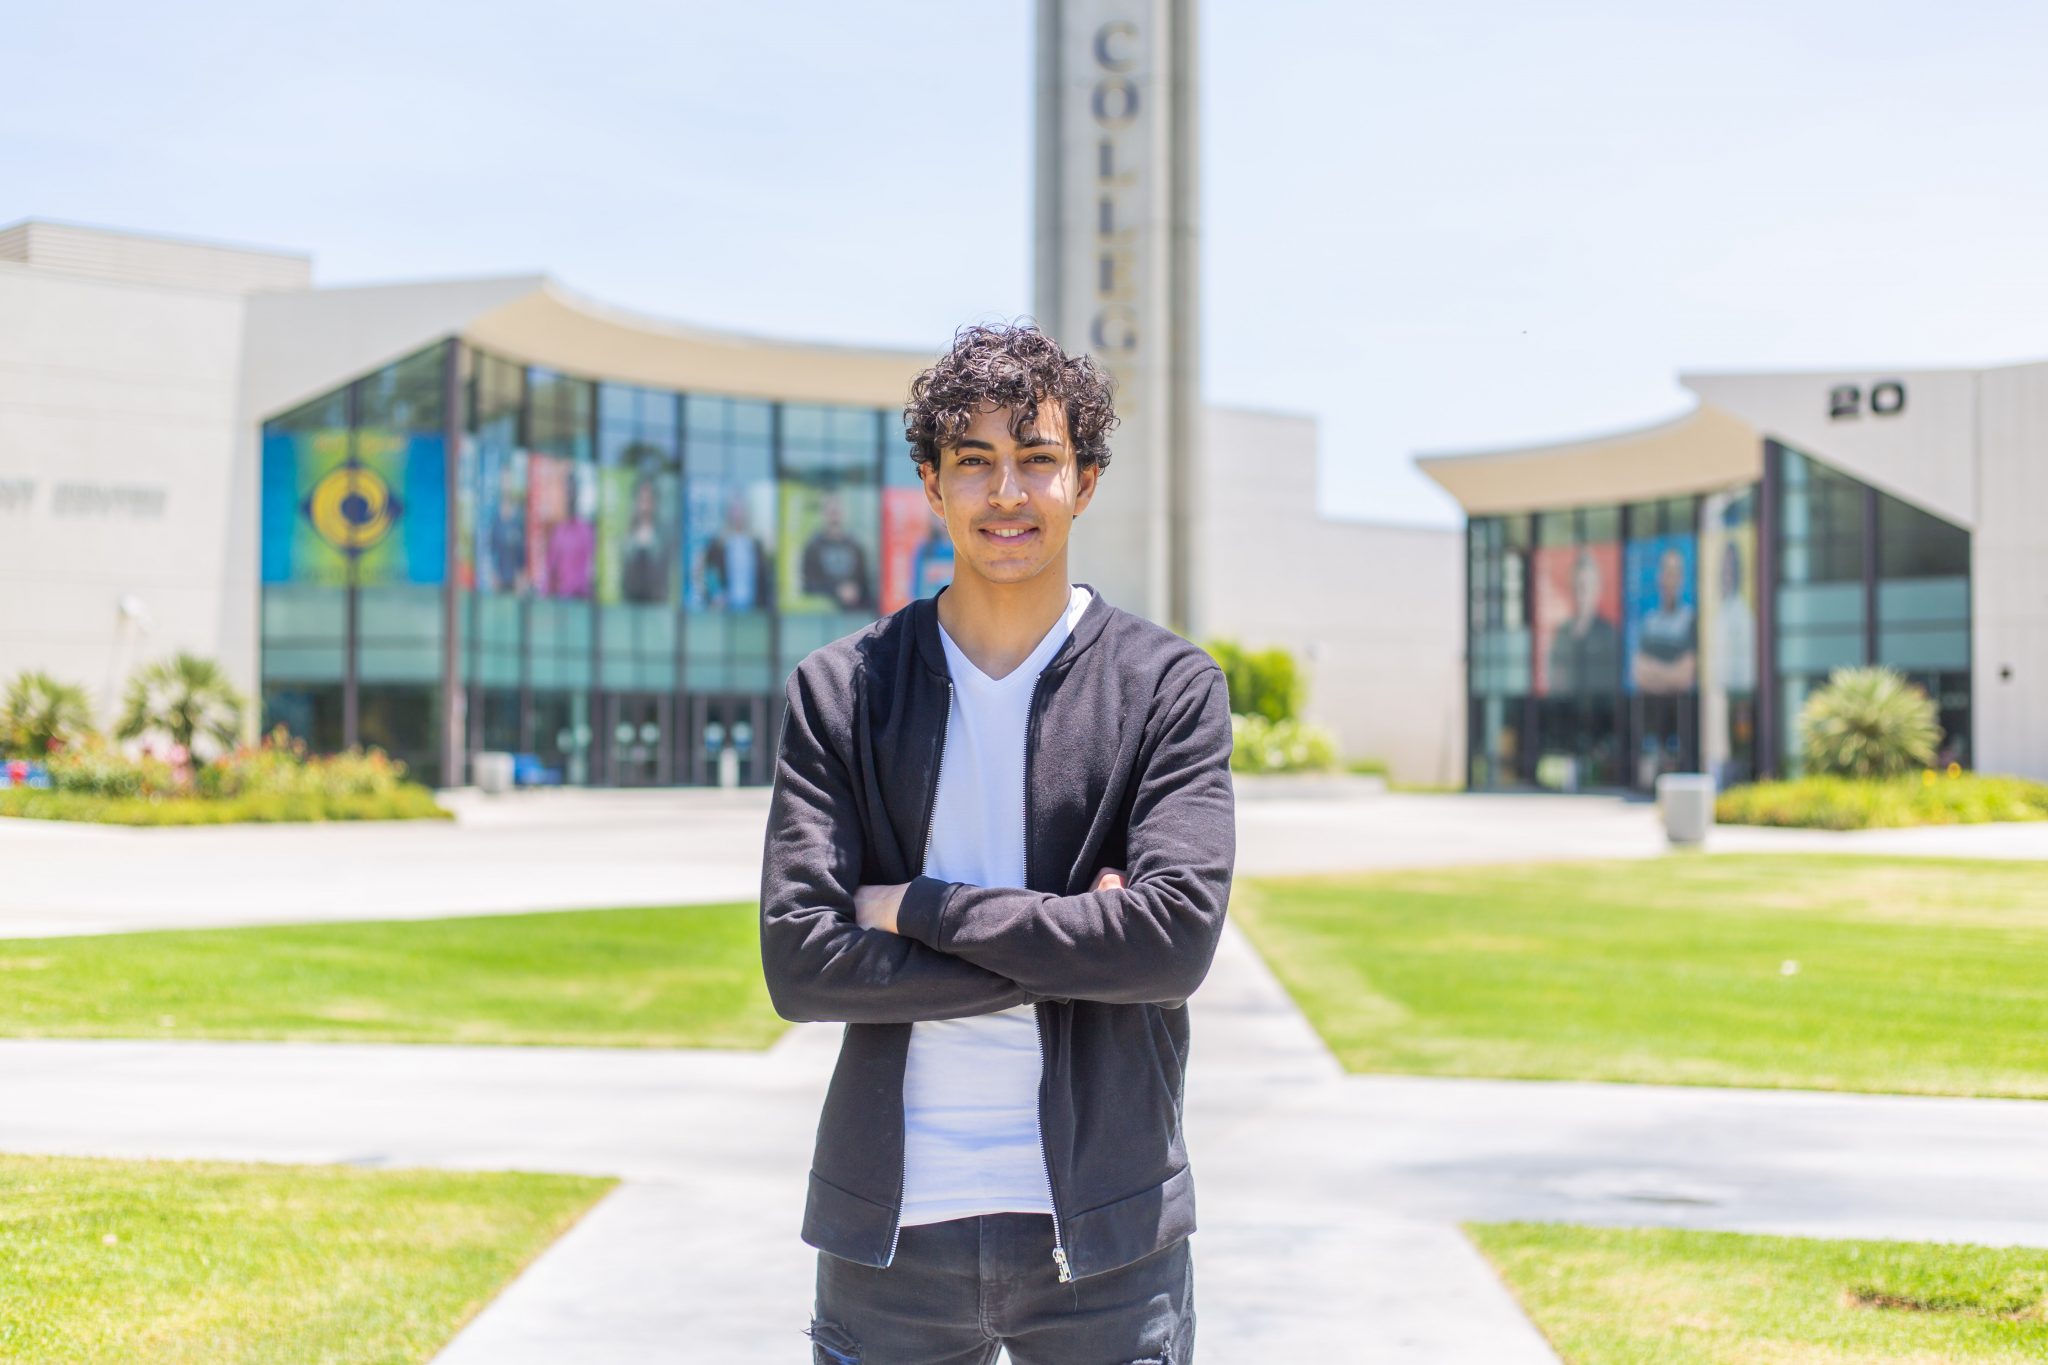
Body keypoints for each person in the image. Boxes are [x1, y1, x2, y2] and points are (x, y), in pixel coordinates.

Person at [760, 323, 1234, 1364]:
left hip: (1105, 1237)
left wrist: (914, 907)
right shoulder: (843, 691)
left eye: (1036, 460)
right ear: (932, 486)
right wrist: (1073, 946)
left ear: (1086, 481)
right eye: (972, 463)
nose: (1005, 493)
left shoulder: (1165, 689)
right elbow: (800, 964)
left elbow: (1169, 948)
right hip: (891, 1237)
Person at [1547, 548, 1620, 693]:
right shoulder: (1562, 632)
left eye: (1586, 586)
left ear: (1597, 589)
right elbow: (1554, 680)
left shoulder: (1609, 634)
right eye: (1577, 585)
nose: (1581, 593)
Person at [1632, 543, 1698, 693]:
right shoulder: (1649, 622)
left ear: (1681, 579)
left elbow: (1685, 677)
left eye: (1675, 574)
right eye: (1667, 573)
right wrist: (1671, 672)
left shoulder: (1690, 620)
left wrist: (1654, 670)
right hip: (1649, 708)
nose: (1671, 580)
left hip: (1682, 709)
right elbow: (1639, 674)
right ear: (1659, 577)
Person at [799, 489, 877, 611]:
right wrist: (836, 590)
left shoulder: (856, 546)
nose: (834, 515)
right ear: (823, 513)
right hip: (820, 615)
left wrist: (856, 591)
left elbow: (866, 585)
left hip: (852, 615)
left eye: (837, 510)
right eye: (830, 510)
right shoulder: (813, 546)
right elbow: (807, 586)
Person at [619, 476, 669, 604]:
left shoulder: (662, 536)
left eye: (648, 500)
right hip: (631, 604)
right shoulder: (628, 536)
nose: (645, 505)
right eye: (641, 500)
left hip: (654, 605)